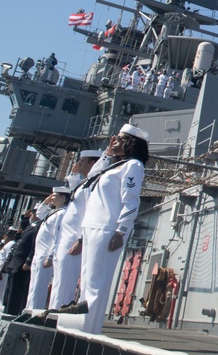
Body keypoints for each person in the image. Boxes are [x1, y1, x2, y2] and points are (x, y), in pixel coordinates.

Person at [77, 124, 148, 333]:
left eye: (120, 137)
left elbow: (131, 200)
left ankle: (88, 331)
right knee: (86, 282)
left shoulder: (133, 165)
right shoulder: (114, 166)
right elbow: (90, 180)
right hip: (92, 226)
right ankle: (79, 326)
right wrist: (107, 155)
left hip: (107, 228)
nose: (114, 139)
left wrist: (122, 230)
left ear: (130, 142)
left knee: (96, 283)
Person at [49, 149, 106, 310]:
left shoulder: (93, 184)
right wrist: (73, 175)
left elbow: (90, 211)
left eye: (82, 161)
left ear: (92, 163)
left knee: (65, 283)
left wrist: (81, 239)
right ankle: (52, 312)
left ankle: (57, 316)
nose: (78, 164)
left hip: (73, 240)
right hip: (65, 240)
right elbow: (75, 193)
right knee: (59, 282)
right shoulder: (85, 183)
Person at [25, 187, 70, 310]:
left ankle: (34, 311)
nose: (52, 198)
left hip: (45, 255)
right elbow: (39, 215)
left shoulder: (61, 214)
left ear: (63, 198)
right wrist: (45, 202)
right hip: (38, 254)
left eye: (55, 196)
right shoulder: (53, 212)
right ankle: (28, 310)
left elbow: (57, 236)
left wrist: (50, 256)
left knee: (39, 288)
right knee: (33, 287)